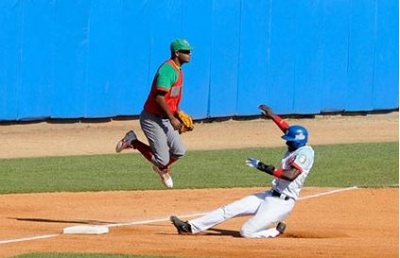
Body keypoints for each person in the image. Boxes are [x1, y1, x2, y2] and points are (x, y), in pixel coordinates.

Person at [170, 104, 315, 238]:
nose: (286, 141)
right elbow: (287, 129)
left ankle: (275, 231)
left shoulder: (304, 154)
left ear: (297, 142)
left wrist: (263, 167)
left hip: (281, 204)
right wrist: (272, 115)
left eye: (289, 140)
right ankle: (189, 228)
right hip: (270, 194)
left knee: (246, 231)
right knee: (230, 209)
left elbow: (290, 176)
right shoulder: (296, 144)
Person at [115, 39, 194, 188]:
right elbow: (159, 98)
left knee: (179, 151)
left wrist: (178, 113)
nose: (189, 54)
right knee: (162, 159)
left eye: (190, 51)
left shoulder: (178, 71)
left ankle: (161, 168)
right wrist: (172, 119)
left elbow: (171, 99)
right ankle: (133, 141)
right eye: (186, 51)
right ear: (177, 53)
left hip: (165, 119)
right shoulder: (167, 70)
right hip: (152, 118)